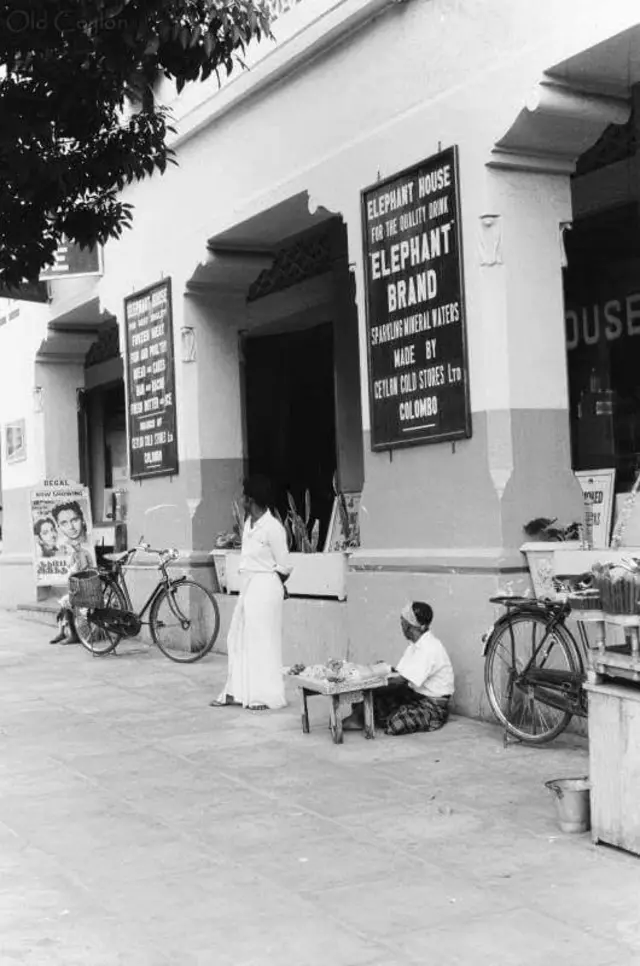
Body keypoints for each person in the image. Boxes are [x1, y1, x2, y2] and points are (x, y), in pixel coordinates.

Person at [210, 475, 292, 711]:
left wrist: (269, 584)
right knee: (237, 638)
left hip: (265, 588)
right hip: (249, 588)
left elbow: (284, 565)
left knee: (263, 641)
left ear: (251, 499)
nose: (241, 499)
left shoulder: (273, 528)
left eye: (244, 495)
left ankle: (264, 696)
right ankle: (237, 691)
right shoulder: (248, 524)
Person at [343, 601, 454, 736]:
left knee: (395, 723)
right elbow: (400, 673)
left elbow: (401, 680)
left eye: (403, 622)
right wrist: (381, 669)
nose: (401, 626)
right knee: (368, 698)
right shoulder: (414, 646)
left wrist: (372, 683)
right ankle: (359, 719)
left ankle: (369, 718)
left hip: (432, 704)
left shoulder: (429, 648)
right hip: (416, 695)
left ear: (409, 626)